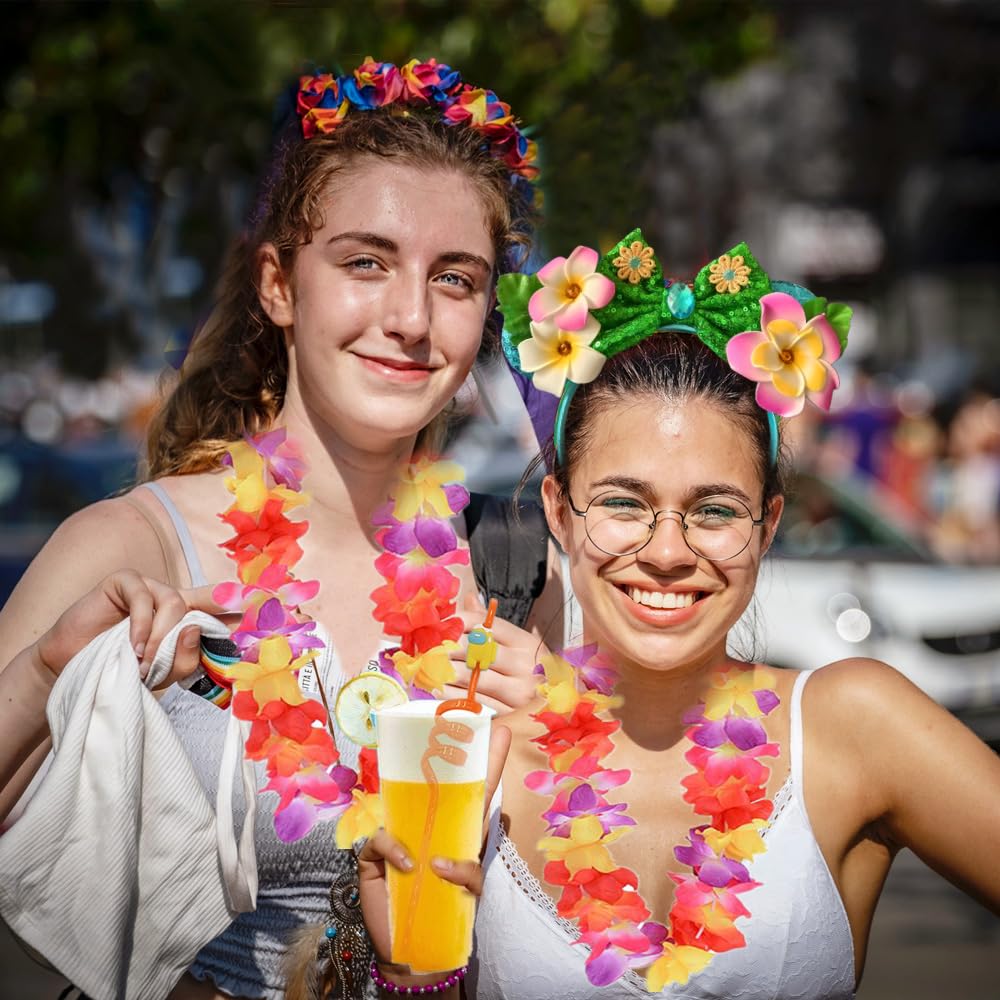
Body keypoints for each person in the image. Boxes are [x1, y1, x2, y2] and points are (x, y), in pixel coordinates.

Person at [0, 58, 567, 1000]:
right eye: (365, 262)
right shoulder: (132, 547)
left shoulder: (509, 568)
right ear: (278, 283)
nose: (411, 318)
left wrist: (559, 731)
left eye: (455, 279)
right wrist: (52, 673)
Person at [354, 231, 1000, 999]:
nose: (667, 552)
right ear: (559, 514)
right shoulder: (468, 762)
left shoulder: (853, 724)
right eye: (624, 504)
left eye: (716, 510)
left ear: (767, 525)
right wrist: (409, 972)